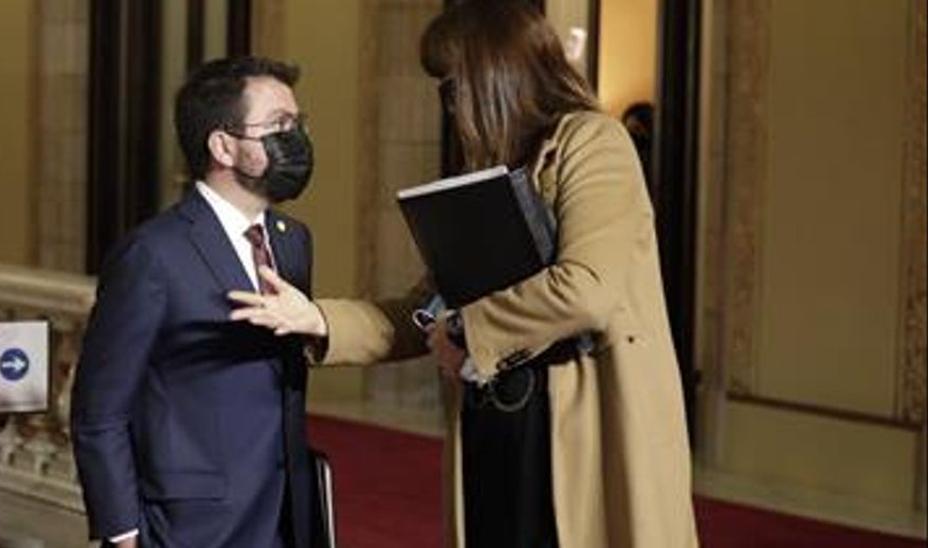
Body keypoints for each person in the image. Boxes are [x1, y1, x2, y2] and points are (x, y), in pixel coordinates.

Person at [227, 2, 699, 547]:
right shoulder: (490, 173)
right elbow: (427, 308)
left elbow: (586, 288)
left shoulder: (594, 141)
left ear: (493, 76)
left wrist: (464, 331)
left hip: (578, 429)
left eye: (452, 87)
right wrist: (315, 319)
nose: (450, 107)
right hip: (498, 422)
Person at [72, 56, 318, 548]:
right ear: (223, 145)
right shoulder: (153, 253)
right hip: (191, 525)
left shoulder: (294, 241)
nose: (297, 140)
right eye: (279, 126)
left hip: (284, 514)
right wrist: (123, 533)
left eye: (298, 124)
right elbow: (99, 409)